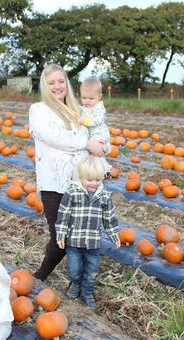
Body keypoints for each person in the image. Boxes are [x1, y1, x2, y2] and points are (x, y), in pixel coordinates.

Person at [29, 64, 104, 281]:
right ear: (45, 85)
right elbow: (55, 138)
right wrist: (87, 142)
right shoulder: (38, 110)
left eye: (61, 81)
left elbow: (99, 131)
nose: (57, 86)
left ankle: (79, 279)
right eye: (51, 82)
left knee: (79, 236)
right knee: (60, 237)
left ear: (67, 83)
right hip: (53, 183)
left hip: (79, 183)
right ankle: (39, 276)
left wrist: (102, 143)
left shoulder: (79, 111)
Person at [55, 156, 120, 308]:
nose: (94, 183)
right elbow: (64, 214)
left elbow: (109, 218)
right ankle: (76, 284)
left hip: (93, 244)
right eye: (89, 180)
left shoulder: (104, 196)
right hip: (74, 241)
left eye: (97, 180)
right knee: (74, 268)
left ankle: (88, 292)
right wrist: (61, 234)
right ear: (81, 177)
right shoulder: (72, 192)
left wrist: (113, 235)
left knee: (91, 271)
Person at [78, 78, 112, 176]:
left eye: (91, 98)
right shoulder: (86, 106)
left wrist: (85, 121)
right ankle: (100, 169)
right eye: (84, 98)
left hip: (100, 135)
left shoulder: (99, 108)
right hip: (92, 135)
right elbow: (81, 110)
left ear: (99, 96)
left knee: (94, 153)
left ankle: (105, 170)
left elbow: (99, 120)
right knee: (94, 154)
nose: (87, 101)